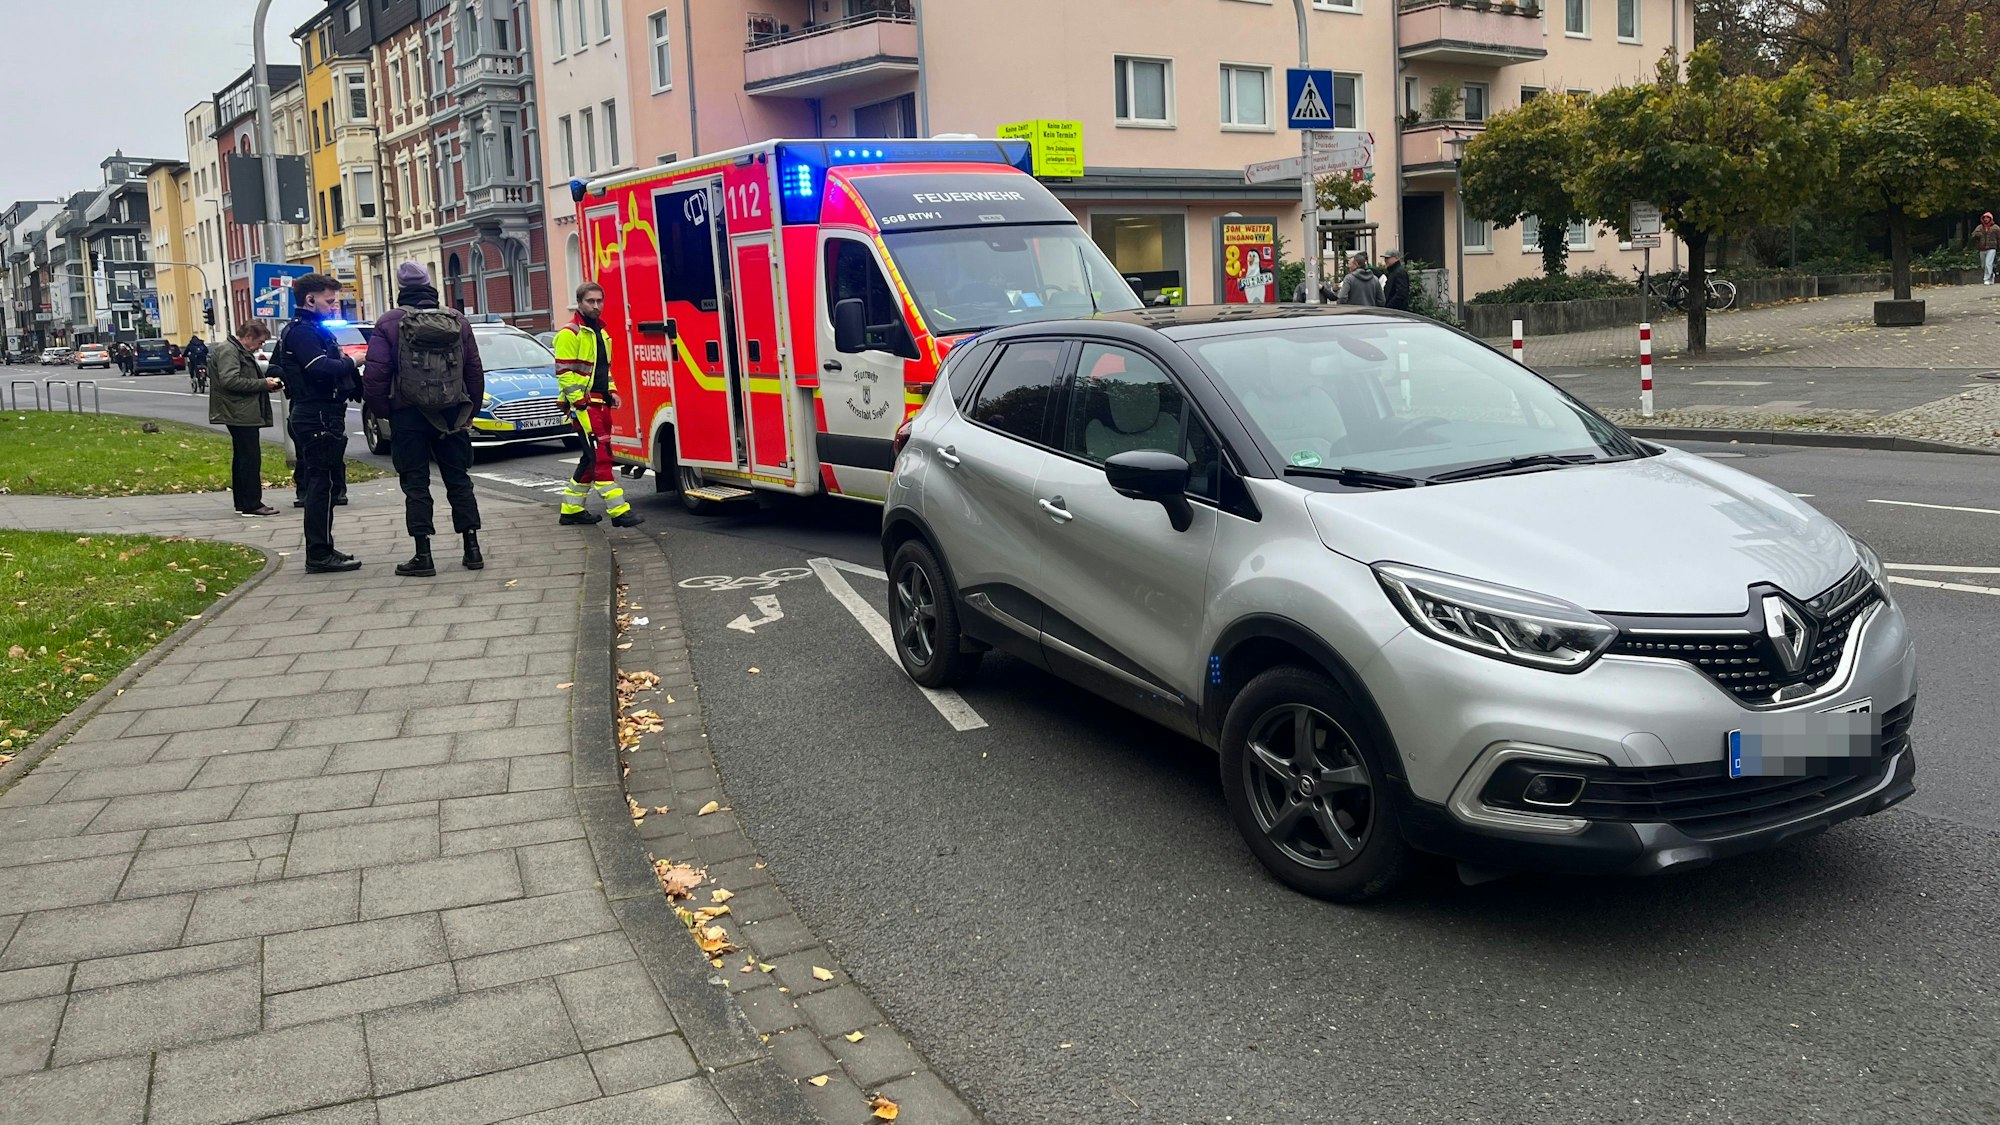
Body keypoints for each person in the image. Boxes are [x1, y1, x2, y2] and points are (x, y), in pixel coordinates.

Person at [364, 261, 487, 577]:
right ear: (431, 285)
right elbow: (473, 369)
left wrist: (384, 412)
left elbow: (376, 374)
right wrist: (468, 411)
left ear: (400, 288)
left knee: (415, 483)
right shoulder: (456, 320)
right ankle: (472, 549)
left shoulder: (389, 322)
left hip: (408, 415)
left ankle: (423, 554)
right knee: (458, 479)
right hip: (451, 414)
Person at [273, 273, 363, 573]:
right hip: (316, 415)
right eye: (329, 300)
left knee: (323, 485)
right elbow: (320, 369)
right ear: (310, 300)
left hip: (319, 414)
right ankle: (319, 553)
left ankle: (324, 548)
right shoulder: (302, 332)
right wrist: (354, 361)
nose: (334, 306)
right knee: (320, 486)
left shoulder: (308, 329)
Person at [554, 282, 645, 528]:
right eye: (590, 301)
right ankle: (619, 512)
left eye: (599, 301)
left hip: (600, 404)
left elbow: (602, 371)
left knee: (590, 458)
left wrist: (612, 391)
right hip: (585, 407)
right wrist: (579, 402)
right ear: (579, 303)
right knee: (601, 457)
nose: (596, 306)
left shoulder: (601, 334)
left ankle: (571, 510)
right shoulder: (570, 333)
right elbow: (564, 373)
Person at [207, 322, 281, 517]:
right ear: (248, 336)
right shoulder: (230, 351)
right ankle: (252, 503)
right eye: (259, 342)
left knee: (242, 457)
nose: (260, 347)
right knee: (250, 457)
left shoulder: (234, 349)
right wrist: (263, 384)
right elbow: (230, 380)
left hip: (239, 410)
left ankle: (243, 502)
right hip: (239, 411)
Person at [1977, 213, 2000, 285]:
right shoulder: (1980, 227)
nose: (1986, 219)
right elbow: (1974, 234)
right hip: (1982, 248)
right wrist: (1978, 234)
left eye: (1987, 217)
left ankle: (1986, 279)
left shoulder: (1995, 227)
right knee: (1983, 265)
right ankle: (1991, 275)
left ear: (1991, 218)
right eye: (1984, 218)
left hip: (1992, 248)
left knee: (1988, 263)